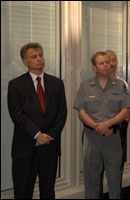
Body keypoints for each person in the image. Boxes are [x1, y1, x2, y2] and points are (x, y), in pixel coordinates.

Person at [7, 43, 67, 199]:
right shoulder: (15, 85)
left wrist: (48, 136)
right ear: (25, 61)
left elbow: (62, 114)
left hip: (49, 147)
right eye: (34, 56)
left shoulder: (56, 83)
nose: (39, 59)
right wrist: (37, 134)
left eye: (41, 55)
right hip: (25, 147)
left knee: (48, 191)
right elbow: (17, 115)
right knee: (23, 192)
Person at [73, 51, 130, 199]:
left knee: (115, 179)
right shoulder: (85, 86)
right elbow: (82, 113)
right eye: (102, 63)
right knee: (91, 179)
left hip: (113, 138)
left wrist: (108, 124)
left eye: (108, 62)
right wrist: (96, 126)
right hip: (92, 138)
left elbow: (125, 111)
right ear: (94, 67)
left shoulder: (120, 85)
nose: (106, 65)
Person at [106, 50, 130, 185]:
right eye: (108, 60)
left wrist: (124, 121)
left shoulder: (123, 83)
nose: (111, 63)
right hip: (101, 132)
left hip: (119, 132)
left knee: (118, 168)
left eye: (114, 60)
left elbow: (129, 107)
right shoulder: (95, 84)